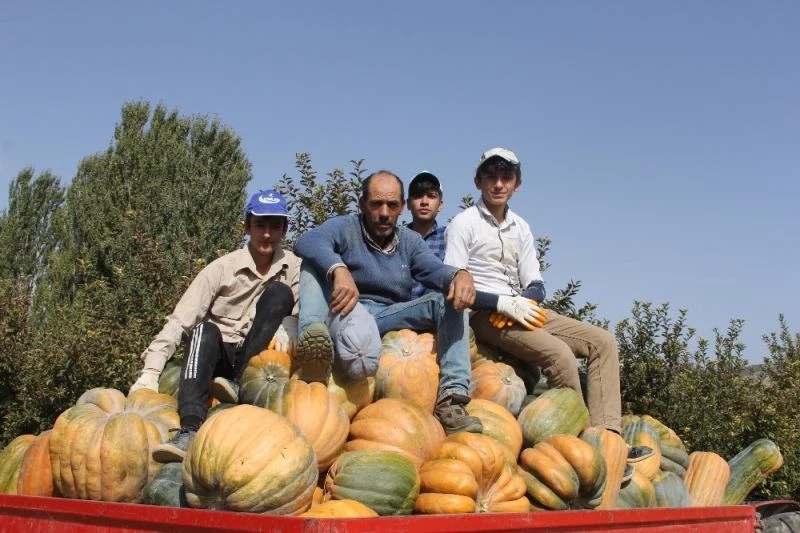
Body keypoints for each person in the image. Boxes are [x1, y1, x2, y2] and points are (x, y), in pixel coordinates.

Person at [444, 148, 652, 469]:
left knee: (603, 342)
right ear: (478, 181)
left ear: (517, 184)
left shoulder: (521, 227)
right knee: (559, 355)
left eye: (506, 177)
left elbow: (536, 281)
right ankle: (582, 444)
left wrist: (525, 300)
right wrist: (500, 303)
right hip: (485, 314)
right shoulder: (463, 223)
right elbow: (454, 284)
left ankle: (608, 436)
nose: (498, 184)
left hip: (522, 308)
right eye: (491, 177)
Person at [293, 170, 483, 435]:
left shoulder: (410, 241)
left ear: (402, 207)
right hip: (346, 312)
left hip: (388, 315)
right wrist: (337, 268)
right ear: (362, 204)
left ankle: (452, 402)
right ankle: (313, 344)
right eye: (376, 204)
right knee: (312, 262)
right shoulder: (345, 227)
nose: (384, 212)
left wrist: (457, 275)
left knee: (449, 301)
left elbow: (432, 268)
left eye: (392, 205)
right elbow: (307, 240)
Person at [129, 189, 302, 462]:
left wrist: (292, 320)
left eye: (274, 226)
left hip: (258, 363)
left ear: (284, 230)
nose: (267, 234)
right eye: (259, 225)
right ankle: (189, 428)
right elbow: (181, 319)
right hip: (218, 356)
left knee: (281, 294)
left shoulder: (293, 267)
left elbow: (307, 308)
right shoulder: (221, 268)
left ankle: (240, 383)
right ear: (247, 227)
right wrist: (151, 370)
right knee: (202, 330)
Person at [405, 171, 446, 299]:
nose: (424, 202)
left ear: (440, 205)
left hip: (436, 313)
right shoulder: (396, 238)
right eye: (418, 195)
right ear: (408, 204)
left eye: (431, 196)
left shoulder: (449, 237)